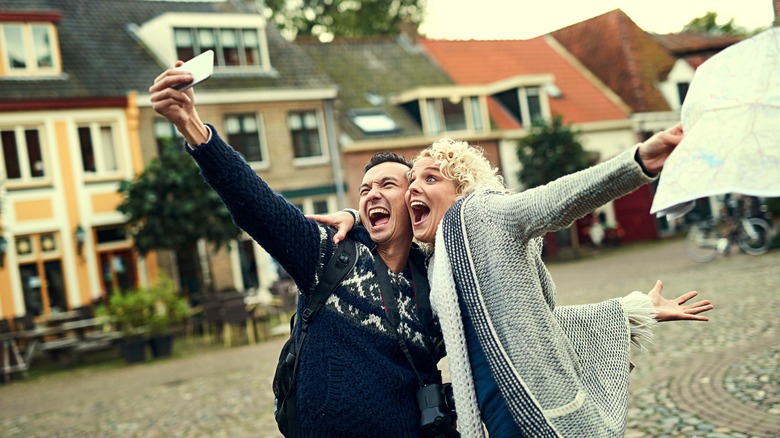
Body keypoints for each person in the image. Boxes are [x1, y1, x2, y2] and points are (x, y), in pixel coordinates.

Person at [314, 125, 713, 437]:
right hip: (495, 416)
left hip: (534, 411)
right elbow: (536, 320)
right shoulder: (437, 263)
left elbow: (557, 199)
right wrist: (354, 218)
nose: (415, 188)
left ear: (462, 190)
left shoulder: (483, 213)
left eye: (432, 179)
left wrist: (637, 162)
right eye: (413, 181)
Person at [149, 63, 445, 436]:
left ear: (412, 198)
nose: (372, 195)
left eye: (387, 185)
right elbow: (258, 207)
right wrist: (192, 125)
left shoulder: (435, 277)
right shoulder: (330, 254)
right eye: (365, 190)